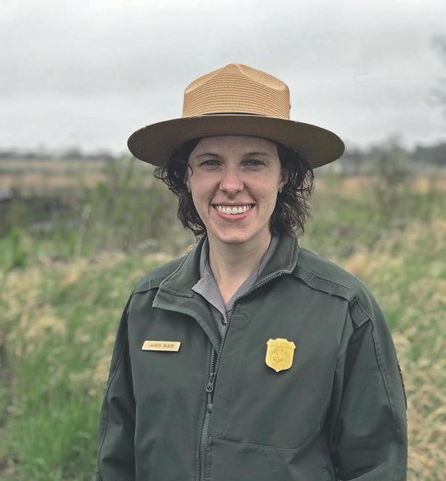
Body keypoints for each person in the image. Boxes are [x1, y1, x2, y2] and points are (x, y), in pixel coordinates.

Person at [95, 63, 408, 480]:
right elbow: (117, 460)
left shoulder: (343, 307)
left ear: (285, 177)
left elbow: (376, 466)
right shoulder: (150, 303)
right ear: (184, 177)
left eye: (254, 163)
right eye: (209, 163)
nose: (230, 184)